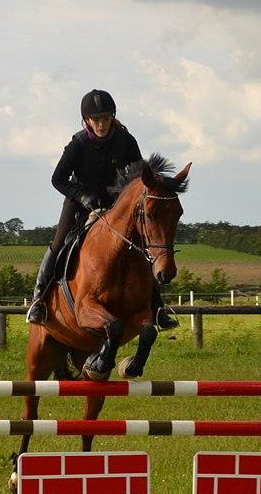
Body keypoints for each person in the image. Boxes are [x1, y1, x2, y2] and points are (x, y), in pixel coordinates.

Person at [27, 89, 177, 330]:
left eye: (105, 119)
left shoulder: (126, 141)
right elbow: (58, 179)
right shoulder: (78, 144)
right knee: (59, 246)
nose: (101, 124)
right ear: (86, 120)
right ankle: (39, 300)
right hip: (80, 204)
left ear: (113, 117)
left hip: (115, 206)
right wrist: (83, 197)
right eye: (96, 120)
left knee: (142, 248)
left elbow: (139, 176)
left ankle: (157, 308)